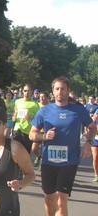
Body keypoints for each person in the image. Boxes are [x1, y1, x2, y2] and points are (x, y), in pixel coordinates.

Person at [29, 76, 97, 216]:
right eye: (57, 89)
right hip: (48, 161)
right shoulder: (45, 111)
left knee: (61, 199)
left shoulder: (78, 110)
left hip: (69, 161)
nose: (60, 92)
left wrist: (88, 144)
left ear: (68, 91)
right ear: (53, 92)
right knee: (49, 197)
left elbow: (92, 127)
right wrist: (43, 136)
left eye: (63, 89)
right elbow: (32, 134)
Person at [12, 84, 40, 154]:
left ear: (31, 92)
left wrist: (30, 118)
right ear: (22, 92)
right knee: (15, 152)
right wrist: (14, 117)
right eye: (25, 91)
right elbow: (15, 113)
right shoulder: (17, 102)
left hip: (28, 131)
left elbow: (38, 120)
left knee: (26, 153)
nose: (26, 92)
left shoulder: (35, 104)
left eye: (28, 91)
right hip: (17, 129)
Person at [32, 91, 50, 170]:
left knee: (44, 148)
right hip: (38, 130)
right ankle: (39, 157)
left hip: (47, 130)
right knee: (34, 148)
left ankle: (43, 163)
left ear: (47, 97)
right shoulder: (37, 105)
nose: (41, 99)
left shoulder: (51, 107)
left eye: (43, 97)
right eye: (40, 97)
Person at [91, 109, 98, 182]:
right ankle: (96, 175)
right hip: (95, 139)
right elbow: (91, 125)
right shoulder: (97, 112)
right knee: (95, 157)